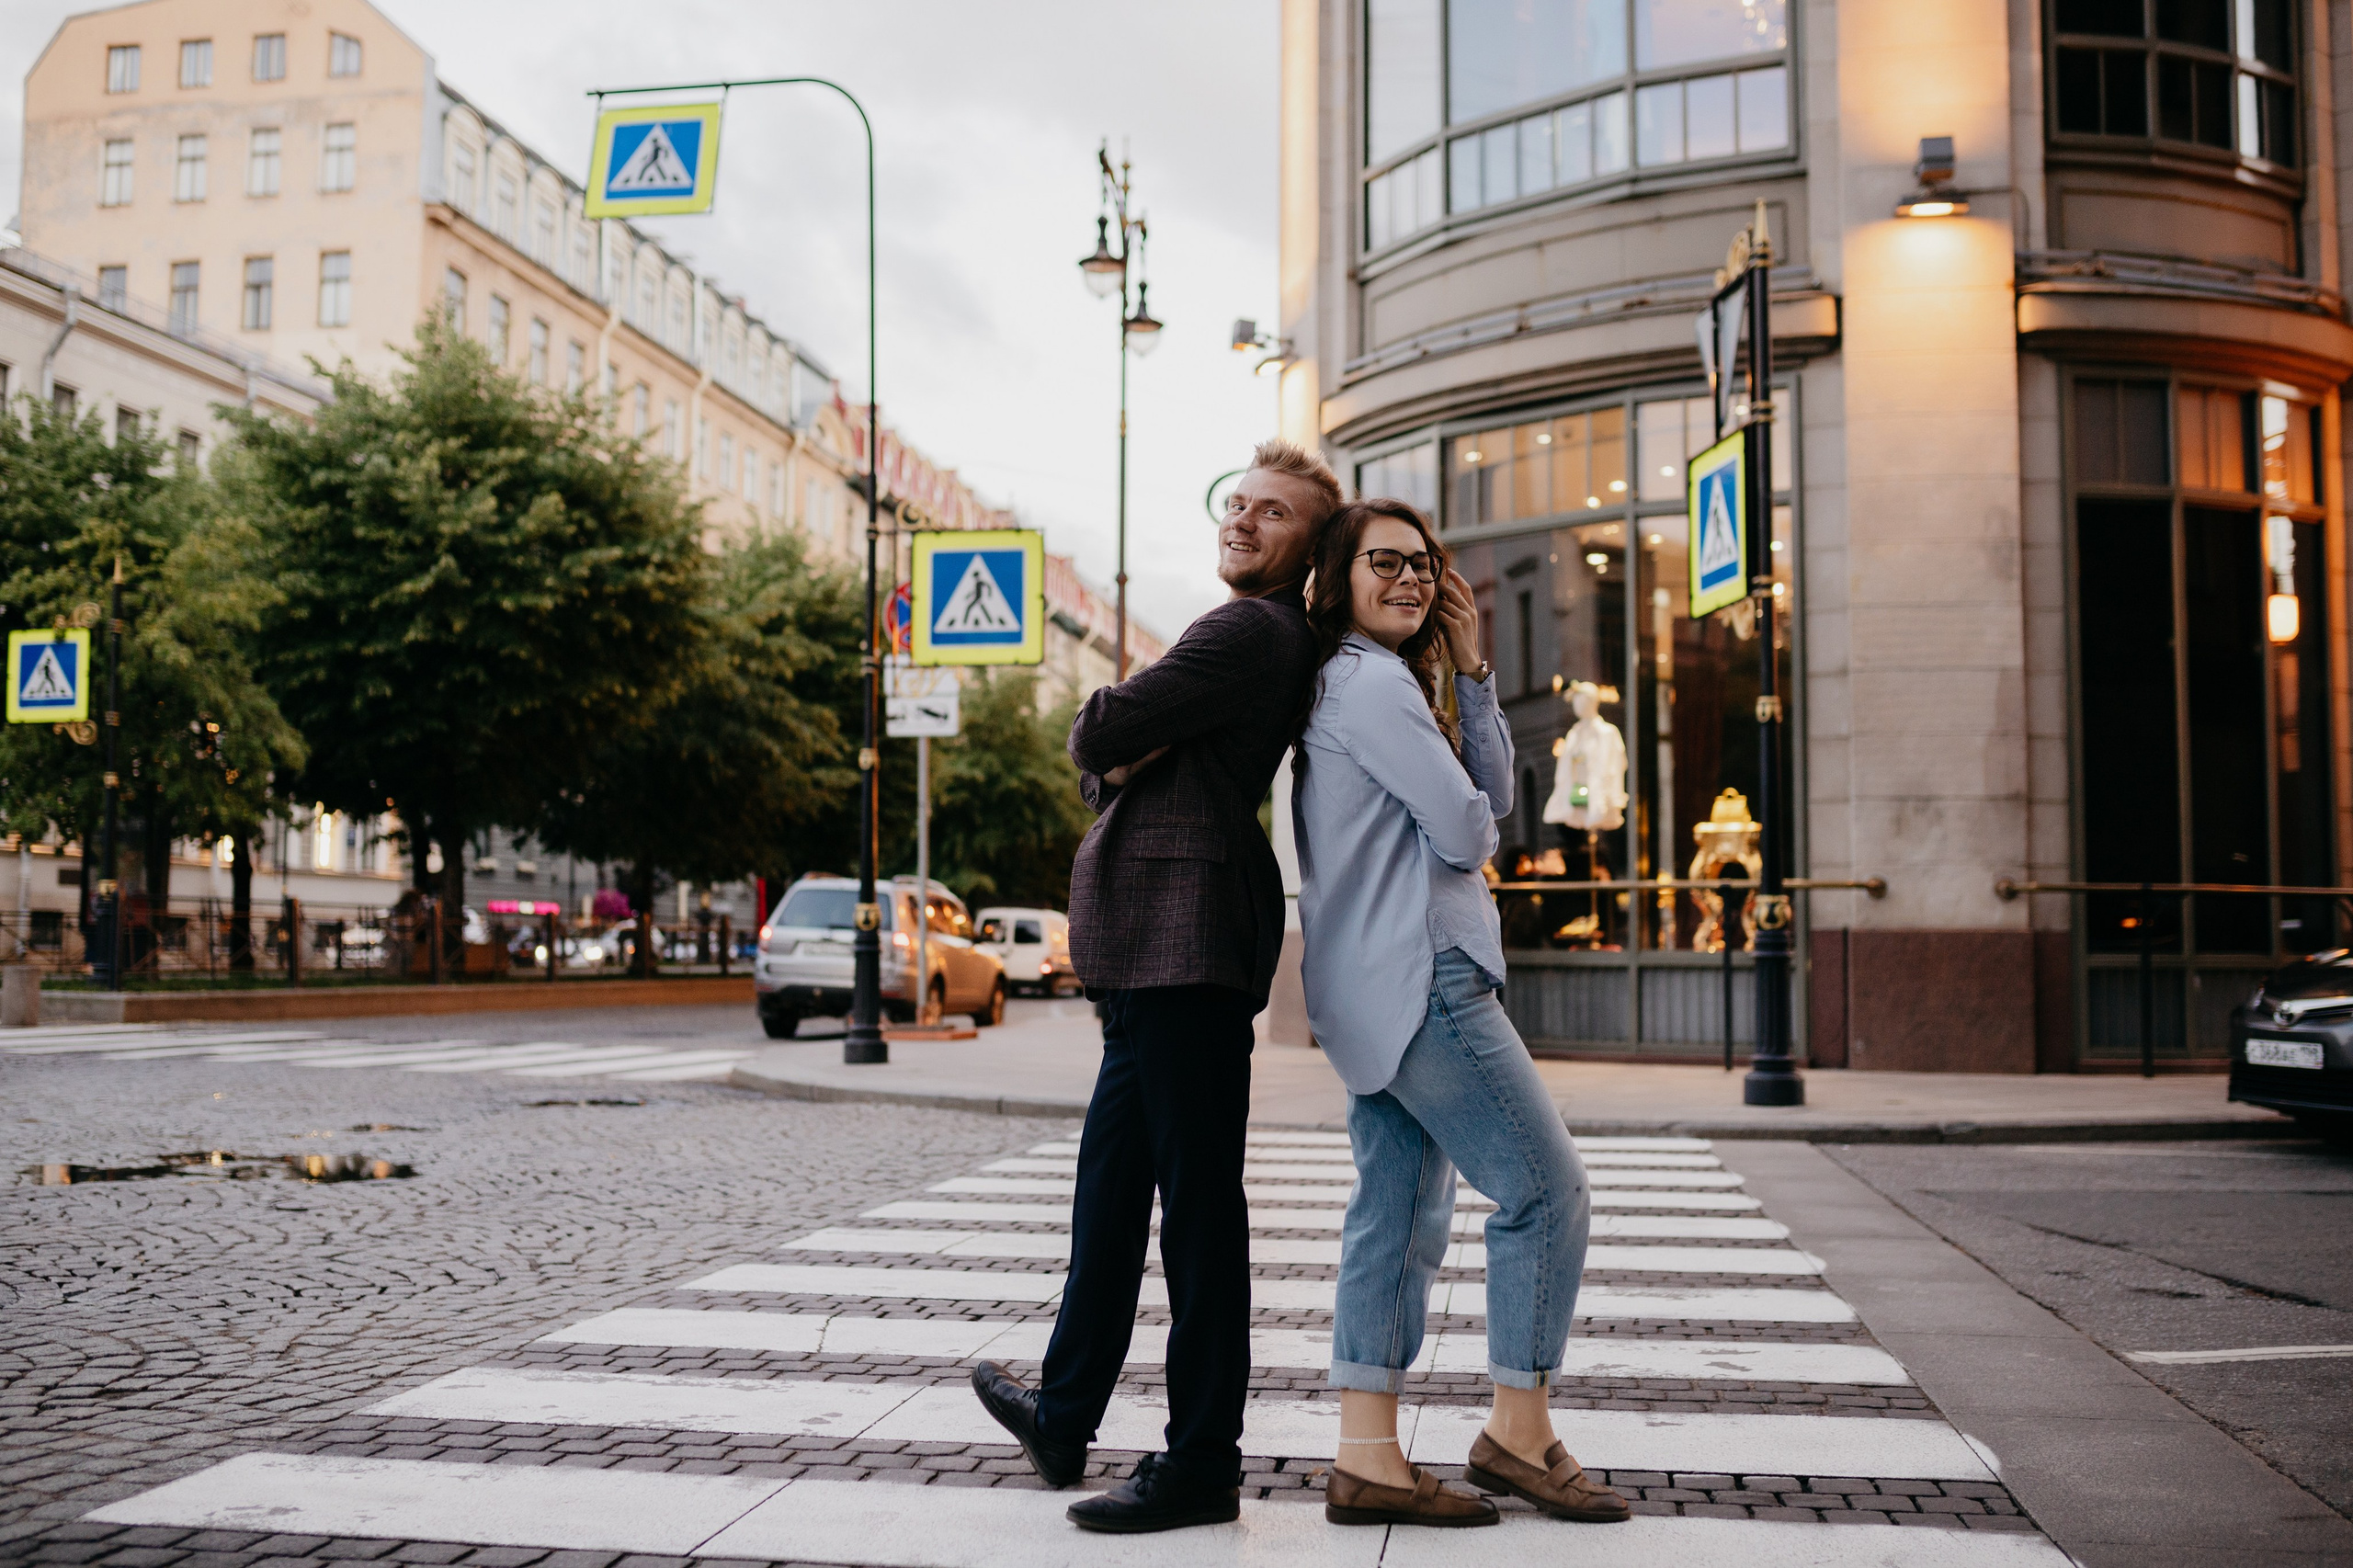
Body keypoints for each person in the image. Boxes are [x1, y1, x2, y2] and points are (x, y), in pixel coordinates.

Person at [970, 438, 1339, 1534]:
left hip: (1185, 944)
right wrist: (1125, 743)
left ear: (1307, 548)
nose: (1243, 521)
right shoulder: (1258, 634)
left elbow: (1099, 729)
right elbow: (1113, 753)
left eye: (1273, 513)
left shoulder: (1245, 628)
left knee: (1197, 1215)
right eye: (1237, 503)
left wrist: (1123, 732)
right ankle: (1064, 1410)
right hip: (1159, 953)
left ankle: (1201, 1461)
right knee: (1109, 1196)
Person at [1290, 498, 1631, 1529]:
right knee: (1545, 1190)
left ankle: (1365, 1453)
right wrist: (1467, 799)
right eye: (1381, 561)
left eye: (1421, 562)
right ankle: (1517, 1433)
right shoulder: (1371, 685)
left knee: (1396, 1213)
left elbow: (1489, 800)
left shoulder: (1382, 682)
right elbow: (1471, 827)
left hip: (1369, 981)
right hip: (1424, 969)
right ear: (1338, 578)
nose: (1407, 577)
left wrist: (1474, 673)